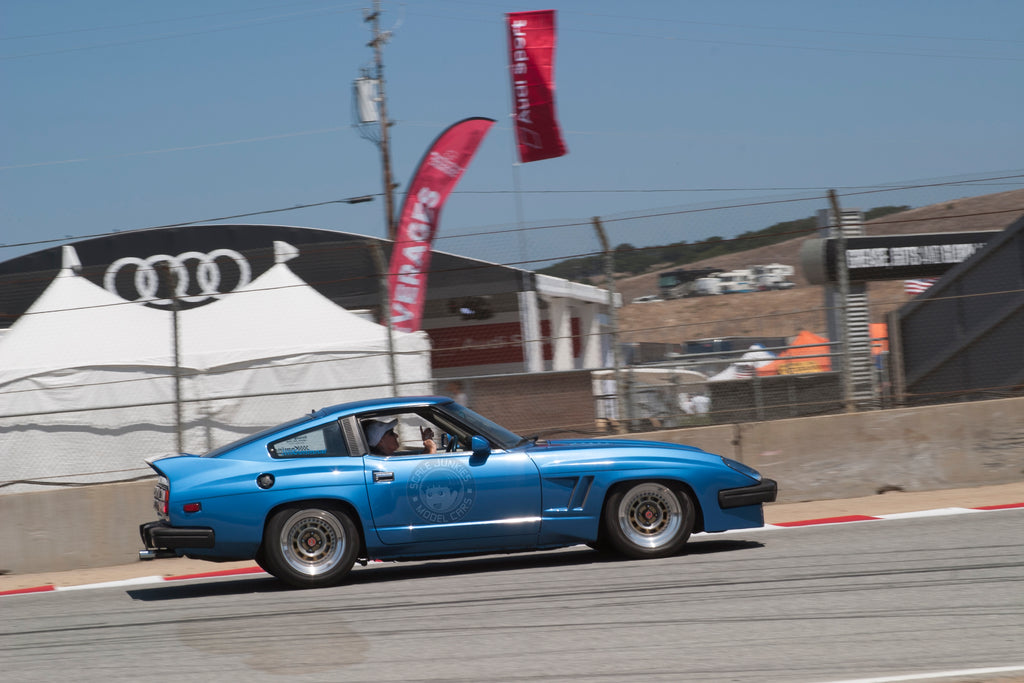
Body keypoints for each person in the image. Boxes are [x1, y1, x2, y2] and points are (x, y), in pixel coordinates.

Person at [365, 418, 436, 455]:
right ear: (380, 441)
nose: (397, 435)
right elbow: (425, 470)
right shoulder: (385, 461)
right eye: (391, 433)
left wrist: (427, 444)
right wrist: (432, 448)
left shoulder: (388, 457)